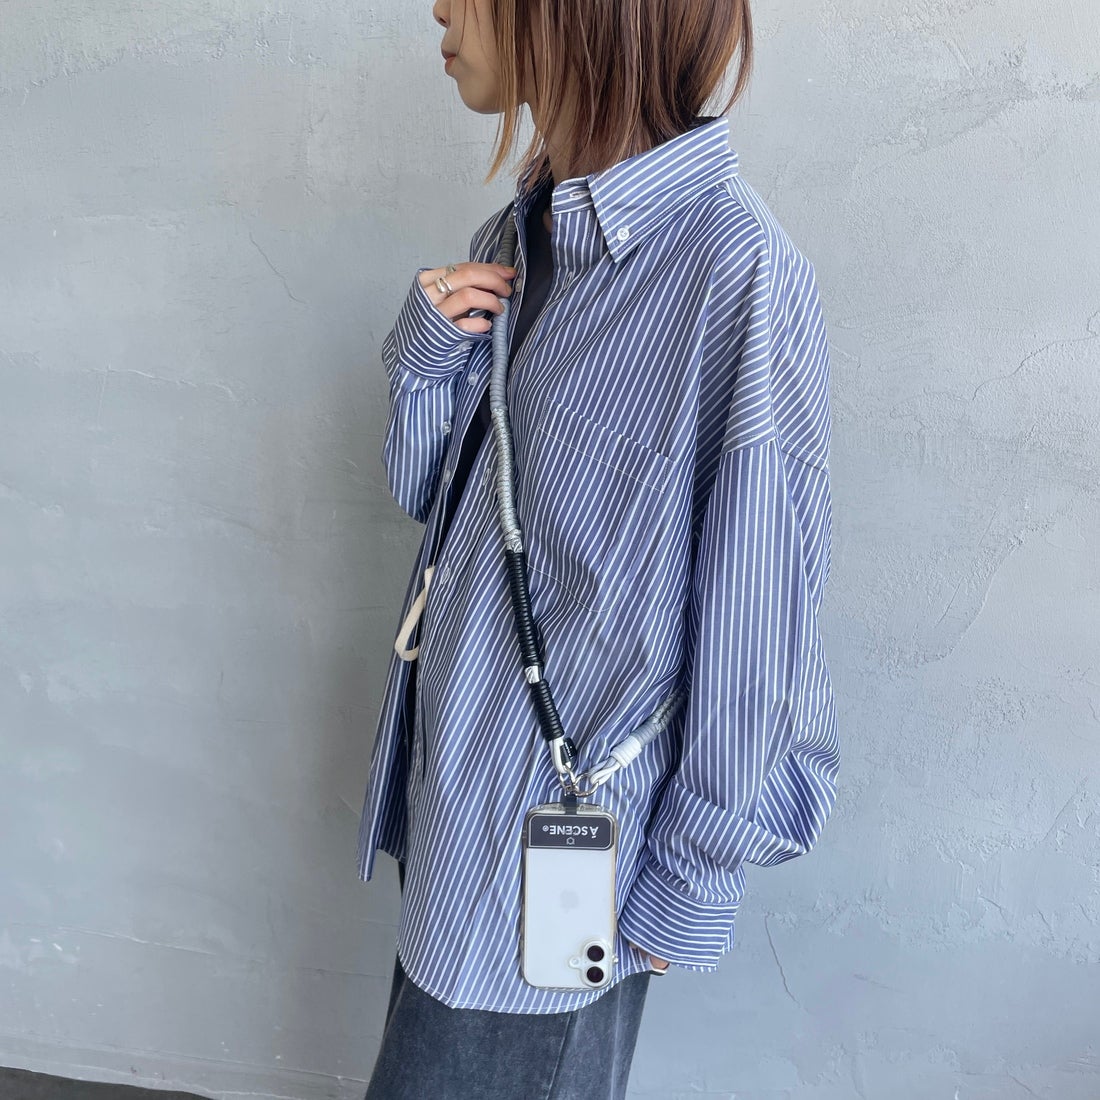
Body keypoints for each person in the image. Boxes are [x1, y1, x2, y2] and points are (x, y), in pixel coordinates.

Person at [356, 0, 841, 1096]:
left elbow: (760, 627)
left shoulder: (737, 278)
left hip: (564, 870)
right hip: (458, 811)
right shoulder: (517, 239)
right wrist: (422, 359)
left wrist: (694, 874)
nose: (438, 7)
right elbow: (437, 507)